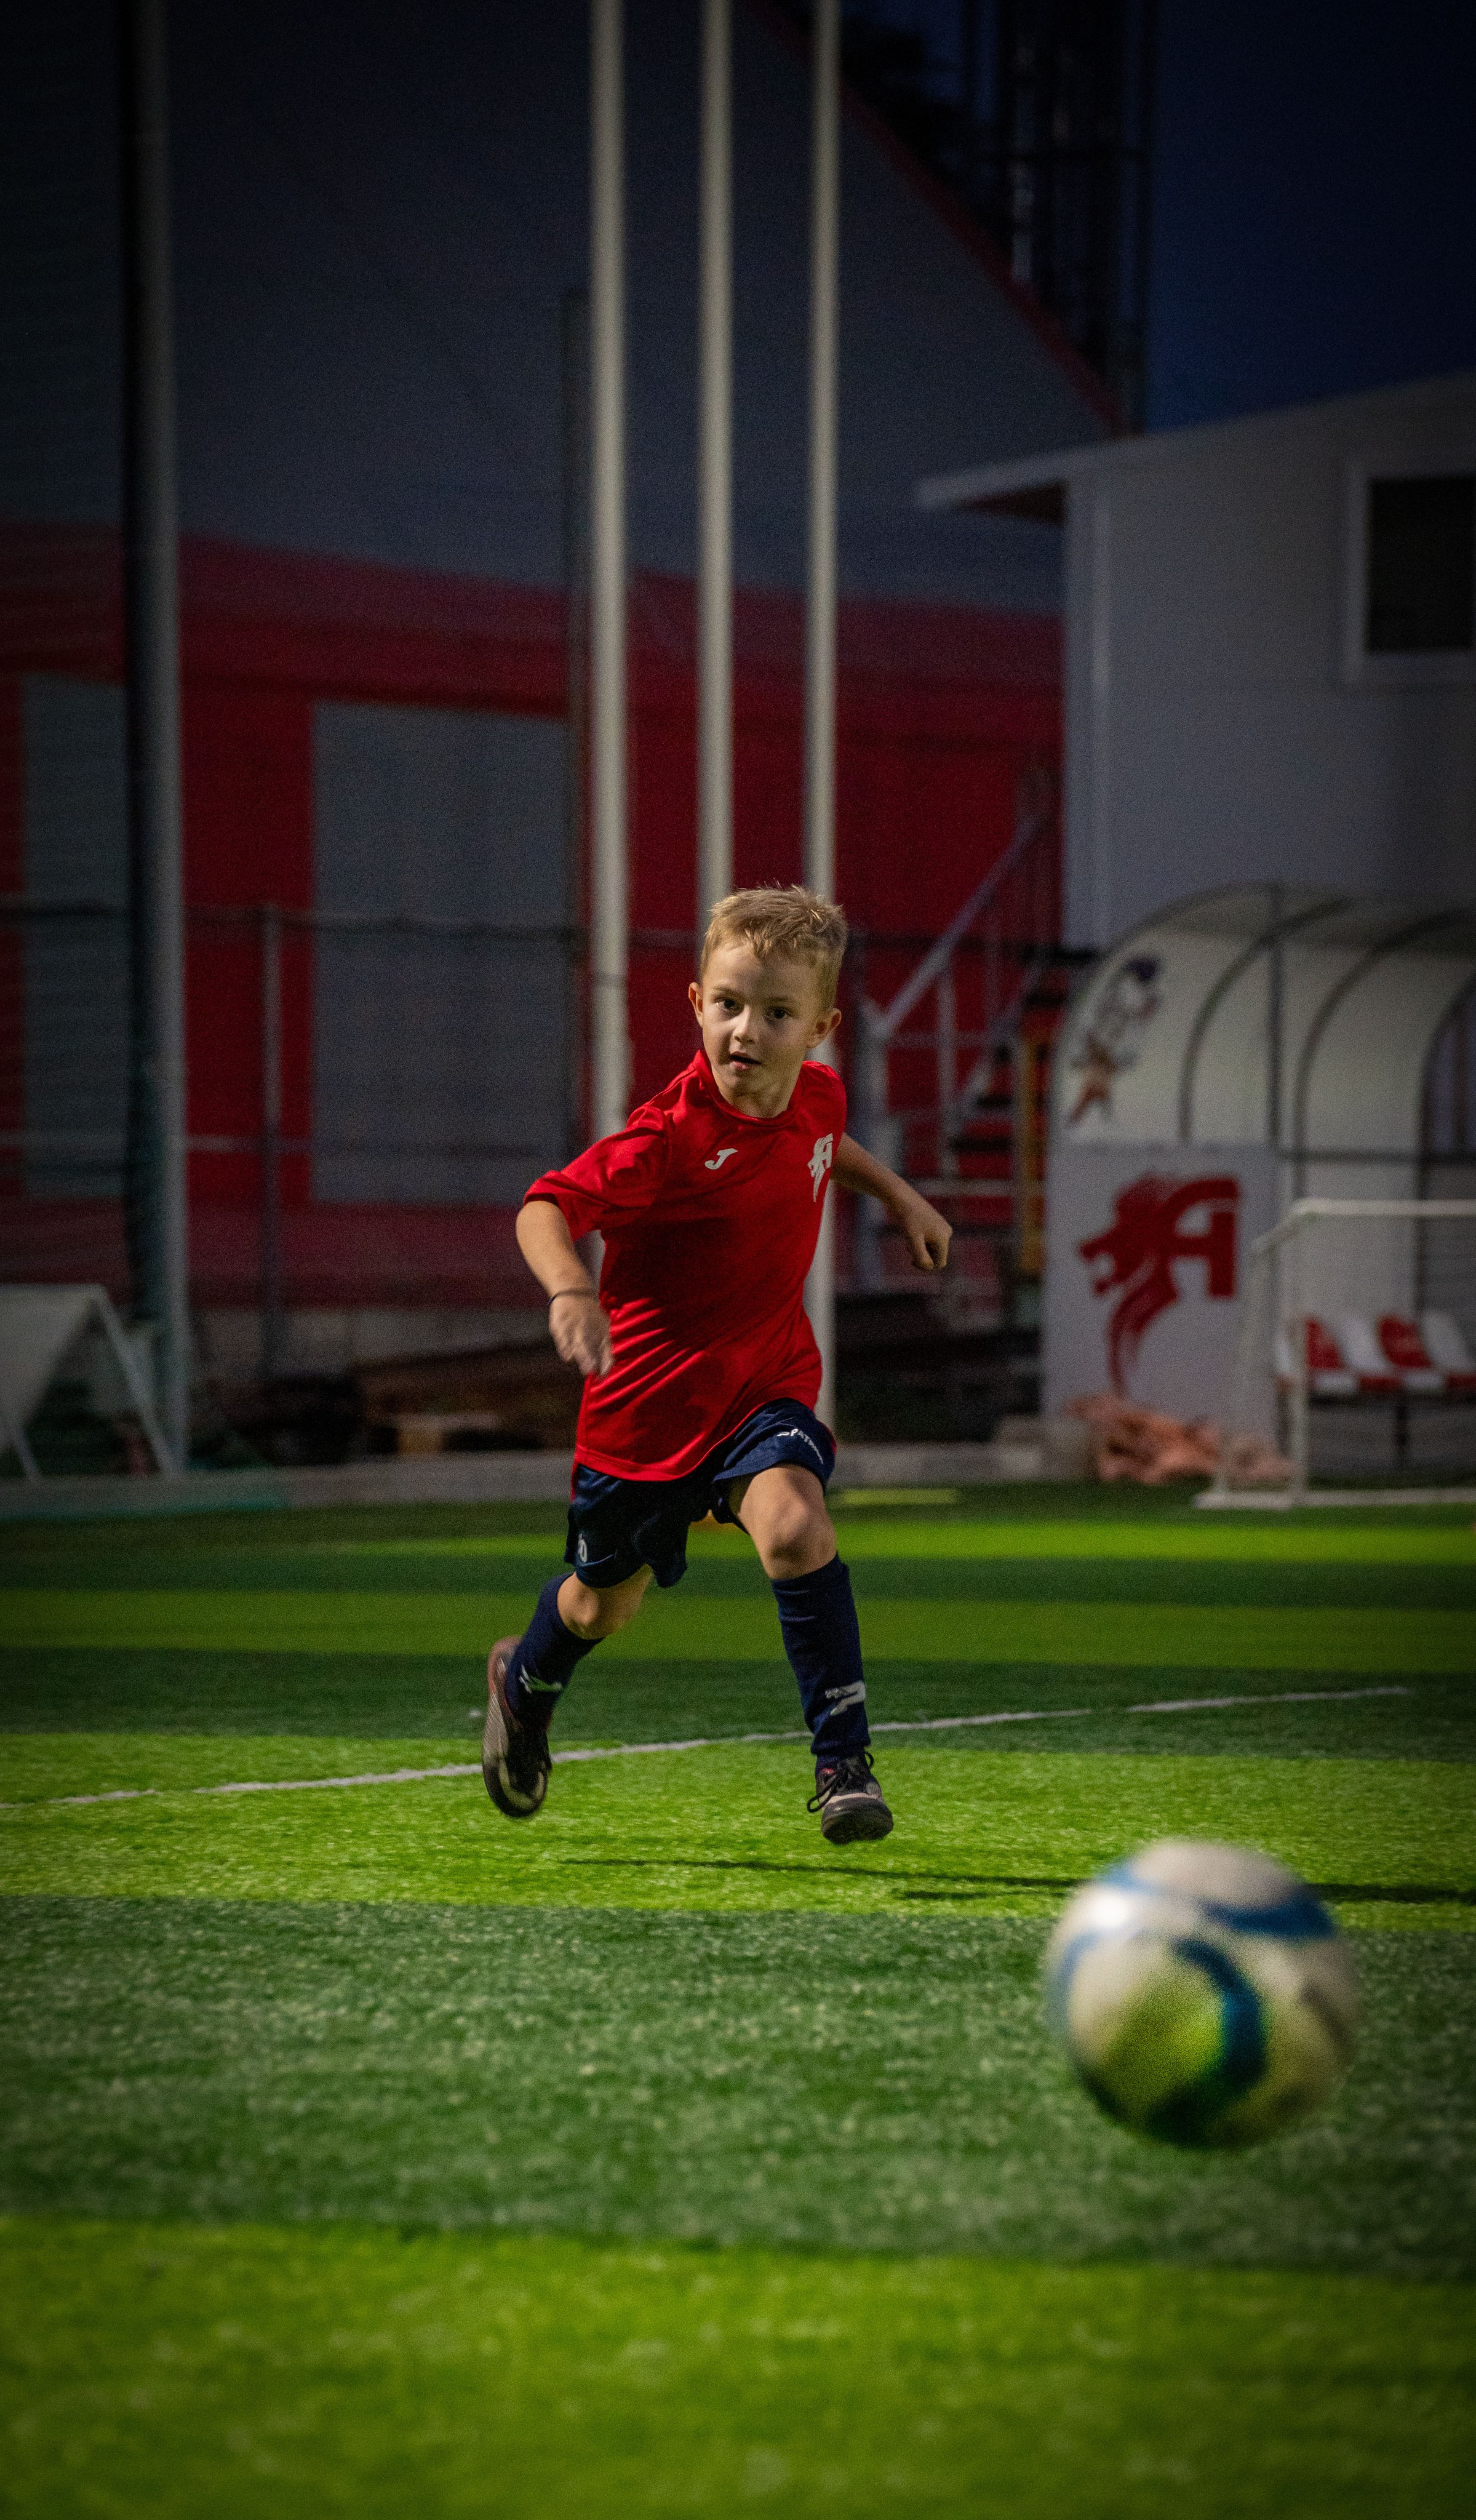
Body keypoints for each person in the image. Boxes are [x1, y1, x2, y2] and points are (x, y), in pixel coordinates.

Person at [482, 885, 952, 1845]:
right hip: (644, 1418)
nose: (748, 1030)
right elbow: (546, 1205)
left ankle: (843, 1765)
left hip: (763, 1387)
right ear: (696, 1002)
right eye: (730, 1004)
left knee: (794, 1526)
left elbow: (826, 1143)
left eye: (777, 1013)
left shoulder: (818, 1093)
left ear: (819, 1027)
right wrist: (571, 1291)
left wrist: (902, 1197)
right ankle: (523, 1684)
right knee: (601, 1608)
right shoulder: (667, 1139)